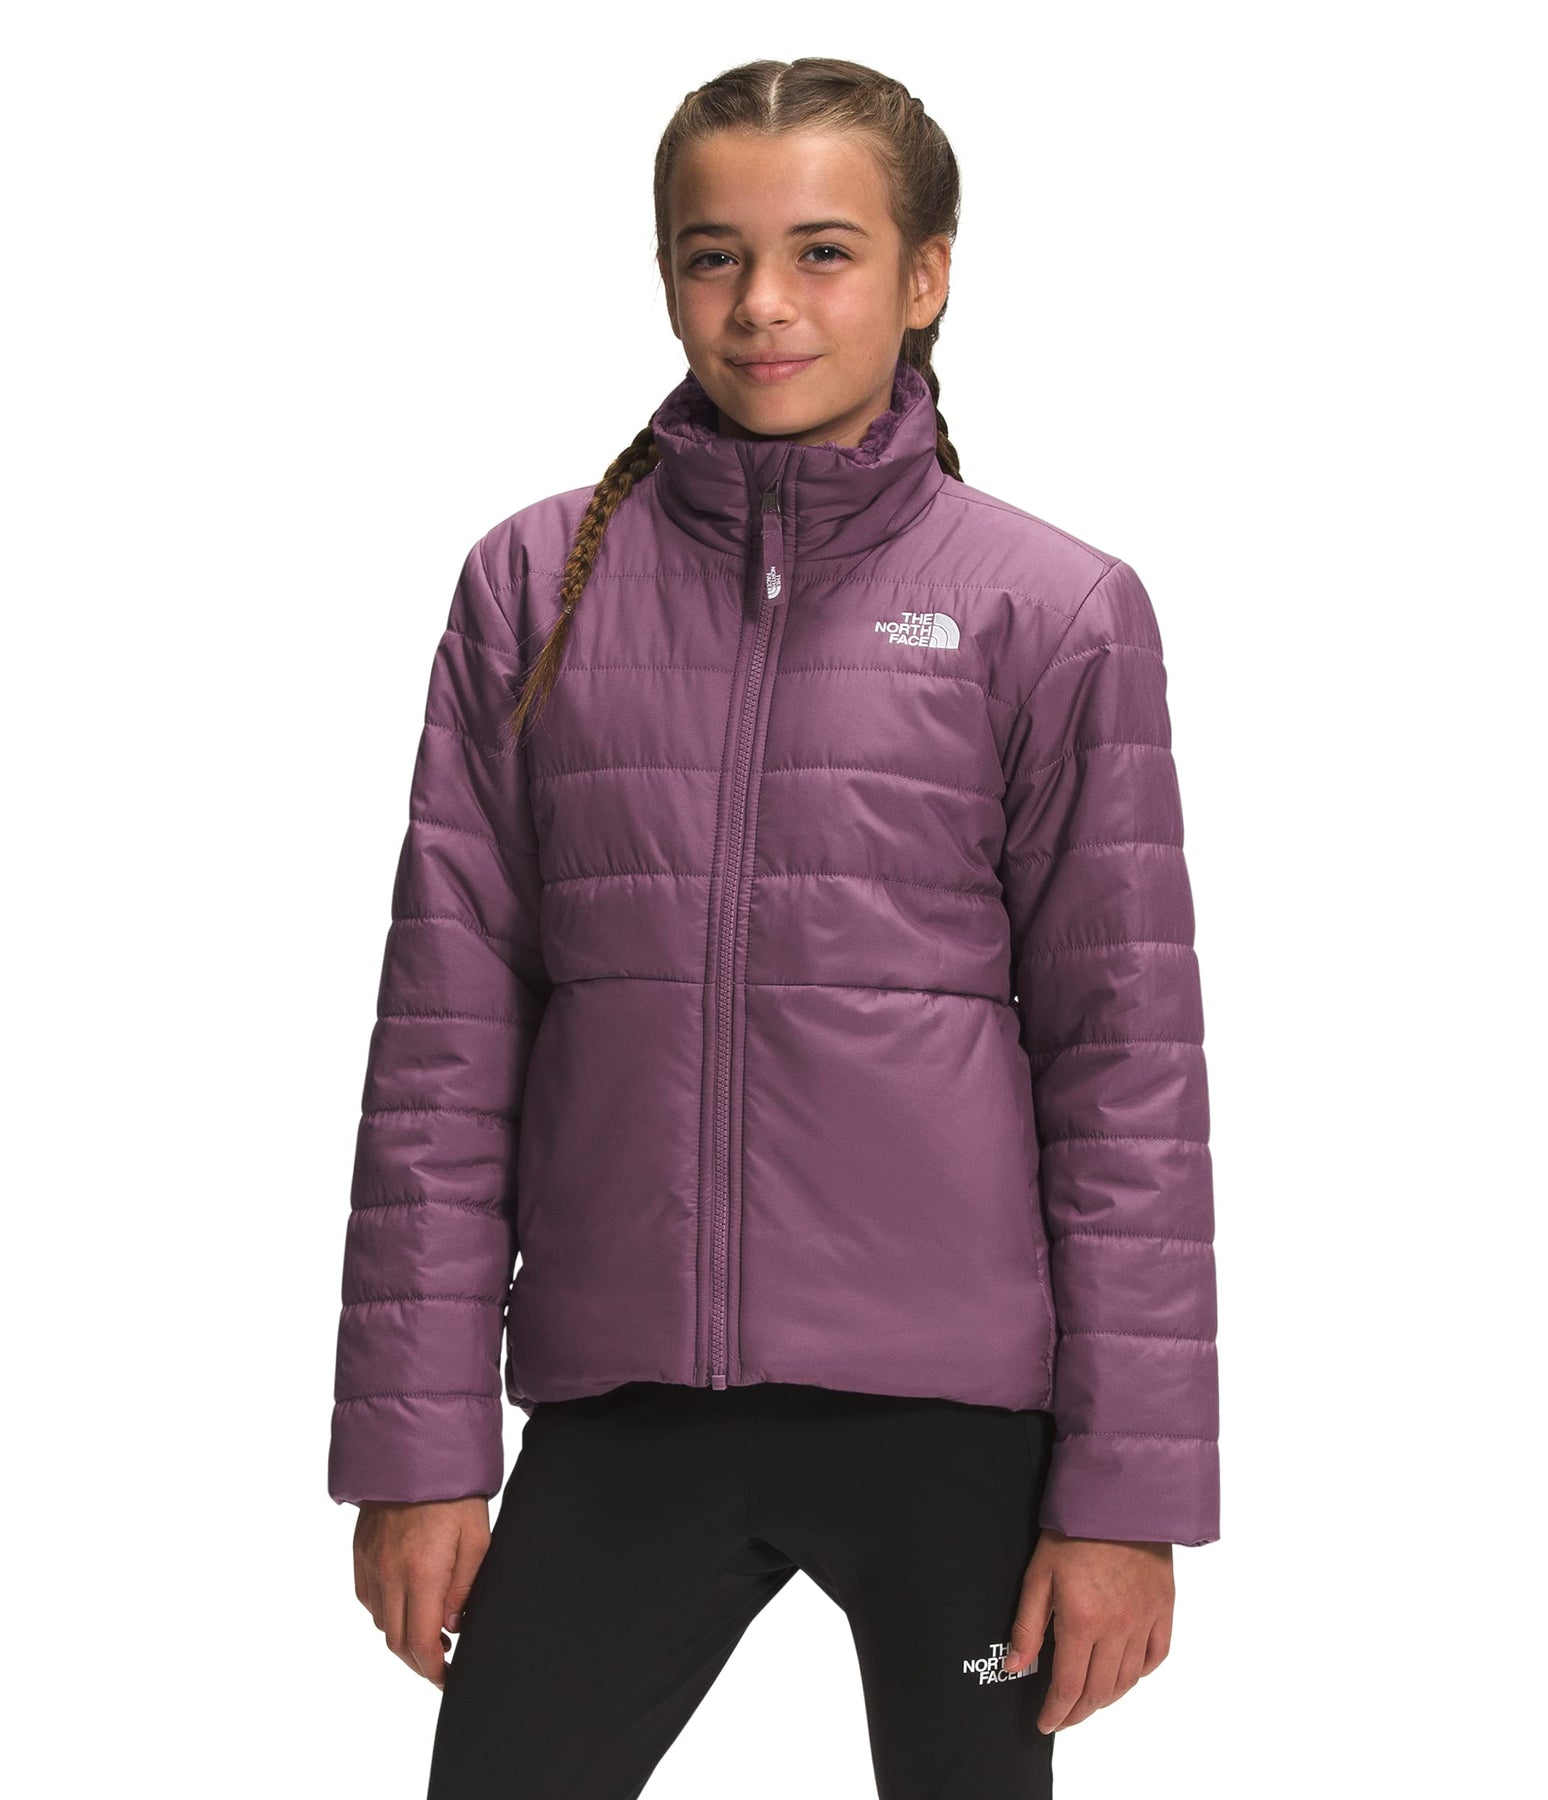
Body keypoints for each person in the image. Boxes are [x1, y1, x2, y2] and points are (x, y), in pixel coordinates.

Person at [327, 55, 1219, 1800]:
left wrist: (1127, 1499)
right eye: (713, 254)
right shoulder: (534, 588)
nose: (762, 305)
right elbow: (444, 1041)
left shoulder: (1052, 610)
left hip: (959, 1438)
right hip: (626, 1406)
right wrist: (415, 1450)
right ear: (666, 274)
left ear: (925, 275)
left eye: (823, 251)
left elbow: (1128, 1075)